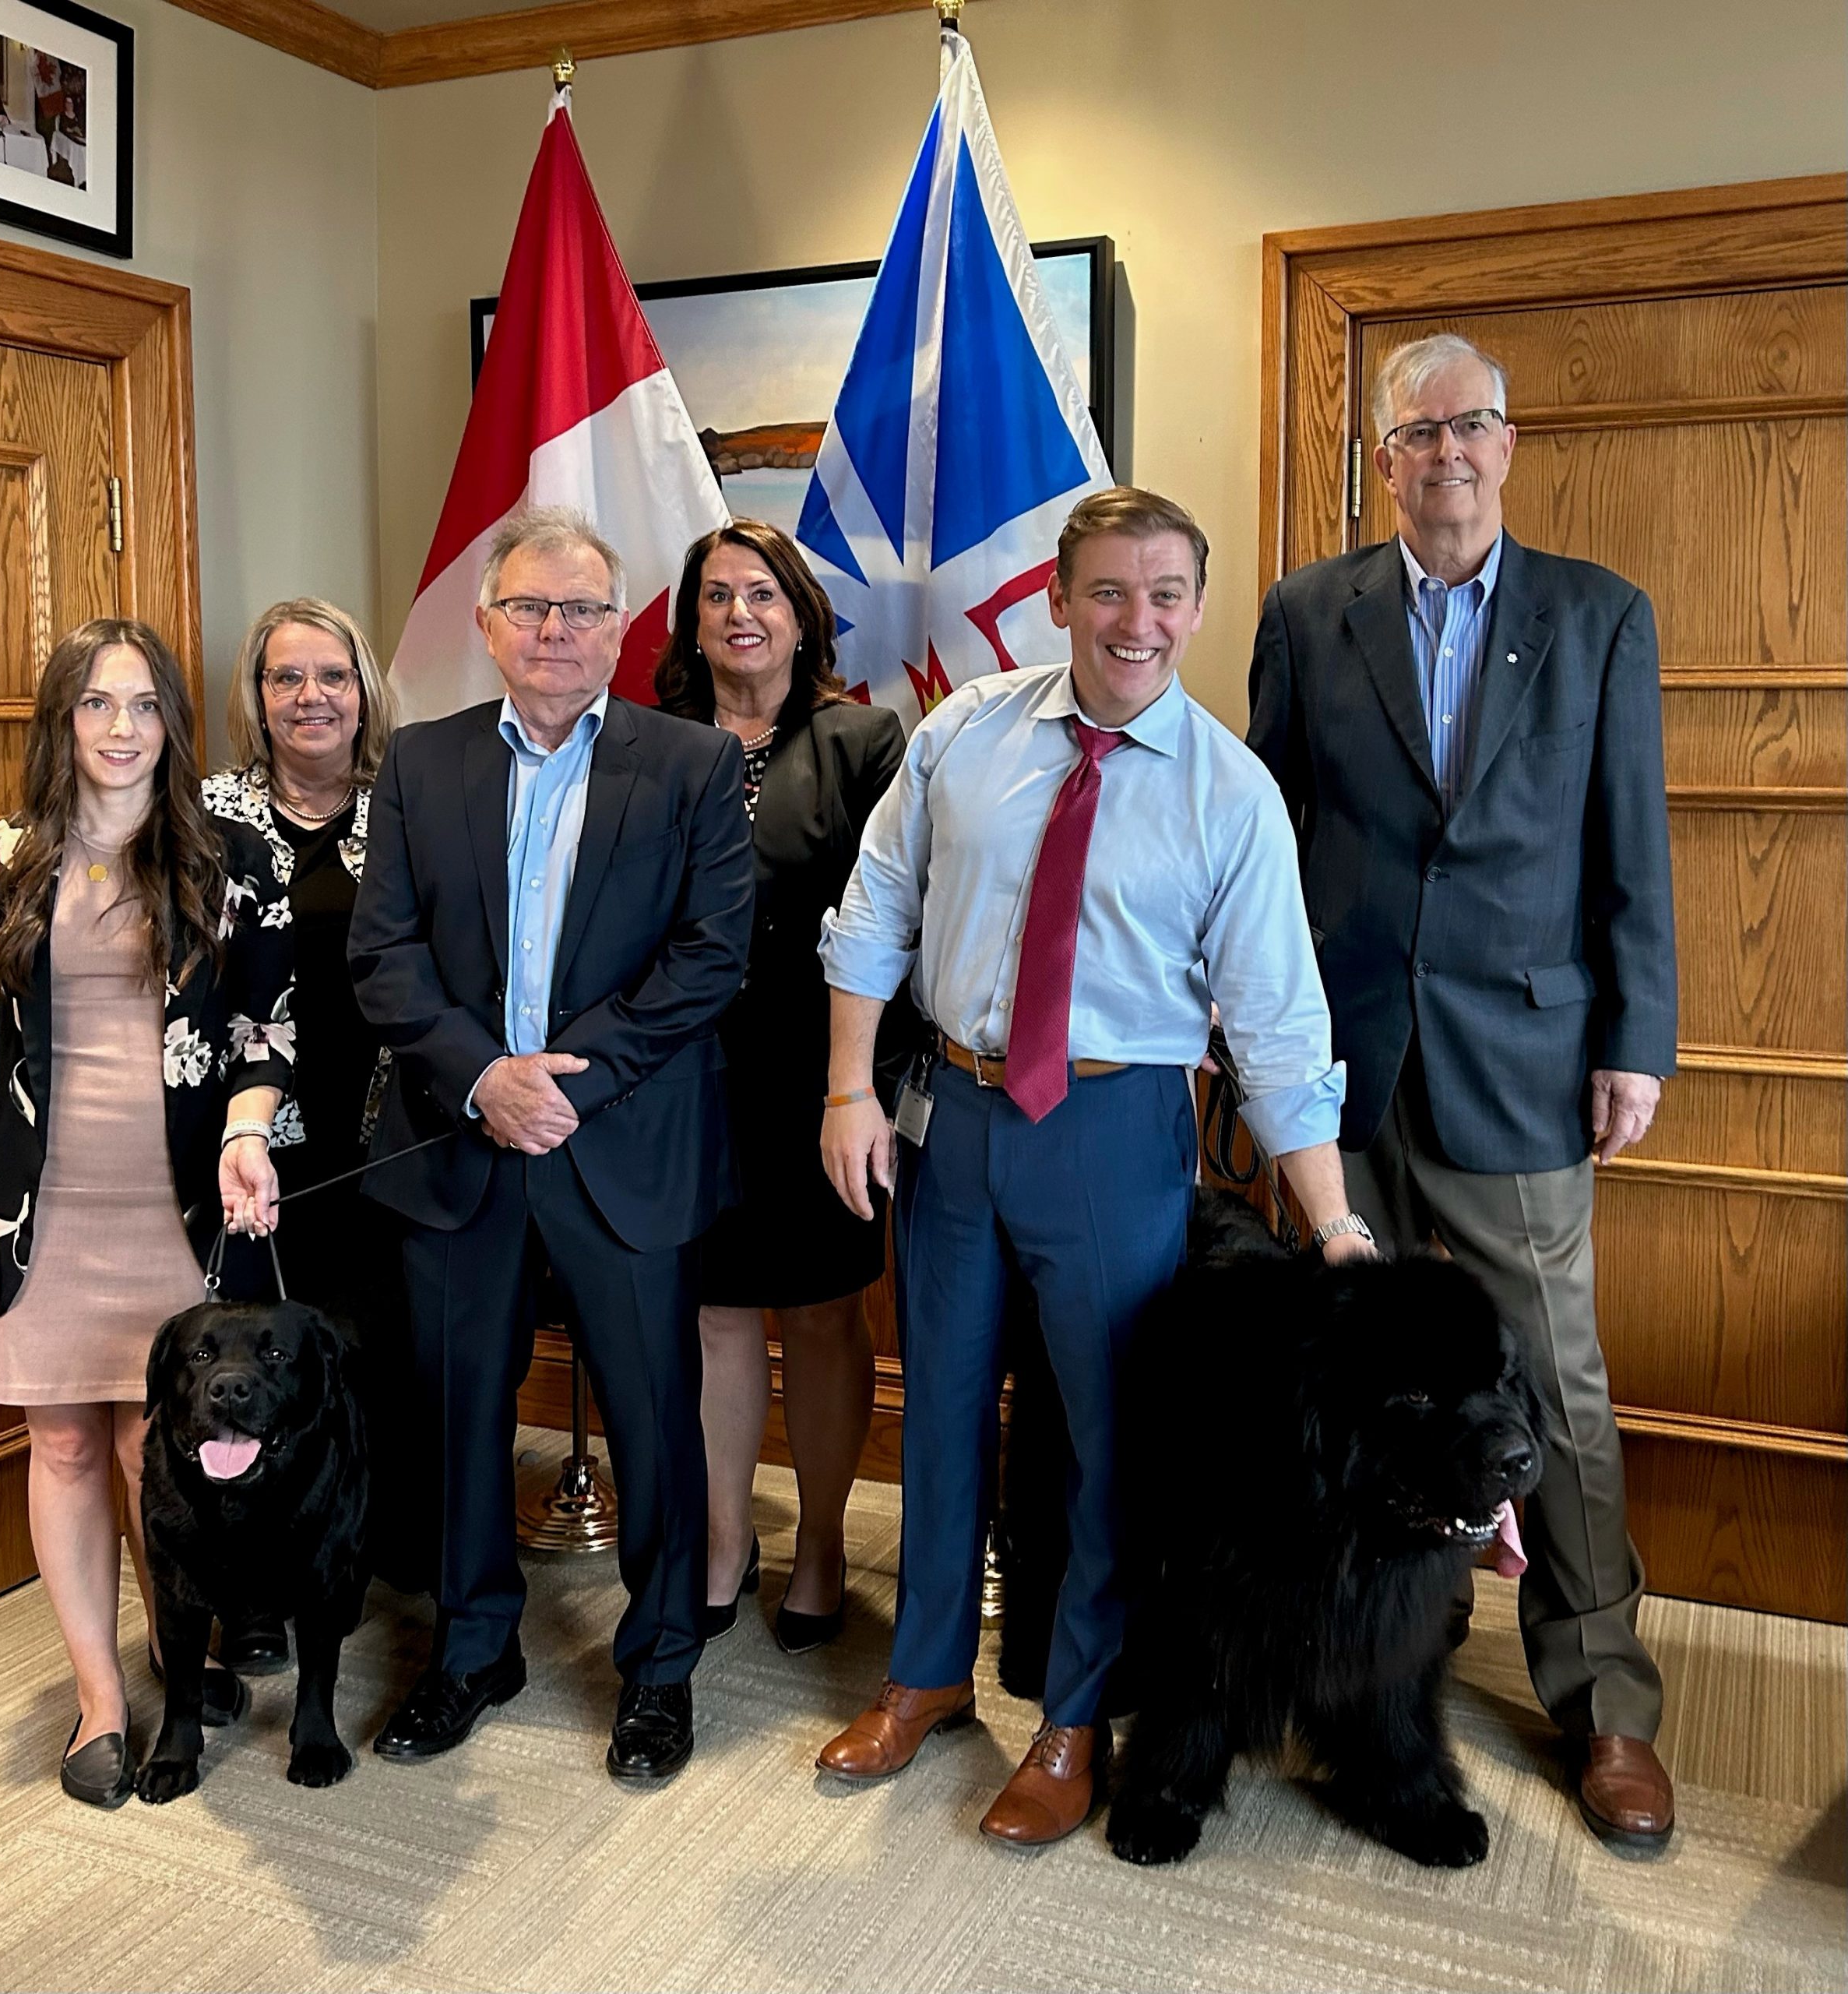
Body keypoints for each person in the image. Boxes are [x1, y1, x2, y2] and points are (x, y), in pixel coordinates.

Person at [812, 486, 1377, 1847]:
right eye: (1109, 592)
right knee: (939, 1408)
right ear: (1058, 601)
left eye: (1166, 595)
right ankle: (928, 1676)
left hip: (1116, 1133)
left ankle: (1073, 1718)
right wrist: (848, 1086)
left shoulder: (1229, 793)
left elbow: (1281, 1027)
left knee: (1103, 1441)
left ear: (1196, 607)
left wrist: (1337, 1225)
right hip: (950, 1109)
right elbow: (877, 906)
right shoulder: (964, 733)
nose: (1138, 621)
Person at [1246, 330, 1680, 1856]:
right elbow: (1267, 840)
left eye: (1471, 427)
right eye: (1417, 432)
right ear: (1381, 456)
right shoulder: (1307, 614)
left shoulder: (1593, 616)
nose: (1446, 453)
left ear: (1509, 440)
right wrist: (1254, 1047)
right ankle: (1375, 1665)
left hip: (1520, 1058)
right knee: (1362, 1391)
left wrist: (1635, 1034)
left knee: (1548, 1389)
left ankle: (1603, 1699)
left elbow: (1631, 837)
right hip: (1343, 1078)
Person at [348, 506, 753, 1781]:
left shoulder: (692, 764)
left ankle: (661, 1669)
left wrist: (568, 1081)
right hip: (461, 1144)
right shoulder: (421, 763)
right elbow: (385, 954)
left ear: (619, 625)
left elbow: (711, 957)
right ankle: (474, 1651)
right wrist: (484, 1080)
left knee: (652, 1421)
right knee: (464, 1419)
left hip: (619, 1141)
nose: (556, 632)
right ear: (487, 624)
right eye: (530, 607)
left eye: (582, 609)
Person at [0, 618, 295, 1809]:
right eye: (96, 705)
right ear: (62, 722)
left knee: (162, 1453)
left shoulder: (231, 854)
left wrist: (246, 1134)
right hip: (42, 1214)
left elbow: (266, 1031)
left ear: (172, 723)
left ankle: (173, 1655)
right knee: (68, 1443)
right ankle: (98, 1699)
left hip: (176, 1215)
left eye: (143, 706)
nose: (122, 729)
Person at [653, 523, 906, 1651]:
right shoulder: (647, 747)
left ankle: (816, 1542)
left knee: (819, 1316)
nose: (739, 615)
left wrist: (860, 1087)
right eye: (716, 597)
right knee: (712, 1319)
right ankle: (720, 1541)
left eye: (762, 594)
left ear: (802, 617)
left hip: (822, 1084)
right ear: (691, 623)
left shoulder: (861, 741)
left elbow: (896, 914)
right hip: (685, 1087)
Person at [205, 597, 425, 1626]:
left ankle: (392, 1550)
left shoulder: (413, 808)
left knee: (390, 1351)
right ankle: (255, 1593)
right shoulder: (206, 822)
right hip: (255, 1142)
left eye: (331, 676)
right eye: (285, 678)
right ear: (257, 699)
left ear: (363, 691)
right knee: (260, 1370)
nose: (310, 698)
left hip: (392, 1133)